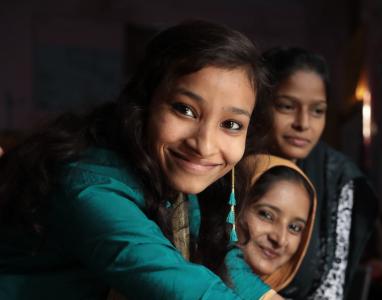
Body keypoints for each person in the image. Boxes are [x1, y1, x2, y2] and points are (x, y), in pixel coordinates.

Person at [0, 20, 278, 299]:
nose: (204, 146)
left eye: (231, 124)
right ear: (145, 104)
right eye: (185, 110)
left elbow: (224, 262)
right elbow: (179, 287)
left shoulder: (172, 178)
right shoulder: (90, 186)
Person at [260, 47, 379, 299]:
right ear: (262, 104)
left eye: (317, 111)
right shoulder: (231, 161)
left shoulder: (338, 179)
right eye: (286, 106)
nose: (303, 124)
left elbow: (331, 288)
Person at [197, 154, 317, 297]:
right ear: (233, 208)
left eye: (294, 228)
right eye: (266, 215)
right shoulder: (191, 281)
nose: (280, 239)